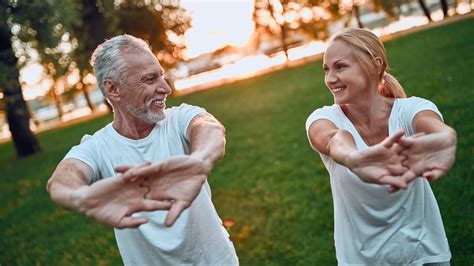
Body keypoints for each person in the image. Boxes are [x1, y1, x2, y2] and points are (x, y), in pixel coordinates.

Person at [46, 34, 238, 265]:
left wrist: (200, 160)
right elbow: (61, 180)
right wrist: (81, 197)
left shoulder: (179, 118)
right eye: (149, 80)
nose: (165, 88)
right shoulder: (97, 147)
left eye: (162, 76)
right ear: (114, 89)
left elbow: (209, 128)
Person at [305, 28, 456, 265]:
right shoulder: (323, 118)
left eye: (340, 66)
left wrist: (447, 138)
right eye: (326, 69)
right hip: (362, 260)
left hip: (424, 255)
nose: (330, 78)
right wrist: (353, 158)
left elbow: (433, 125)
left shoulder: (410, 109)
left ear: (375, 65)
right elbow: (334, 138)